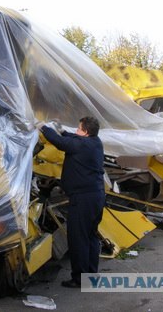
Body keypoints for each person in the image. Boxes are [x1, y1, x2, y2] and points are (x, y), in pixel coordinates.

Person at [37, 117, 105, 288]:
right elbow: (72, 139)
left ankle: (79, 279)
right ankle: (90, 275)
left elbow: (60, 143)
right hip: (95, 197)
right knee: (90, 236)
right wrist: (62, 130)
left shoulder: (83, 145)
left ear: (85, 132)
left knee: (78, 238)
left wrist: (44, 128)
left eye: (78, 128)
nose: (76, 131)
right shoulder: (95, 142)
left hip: (83, 199)